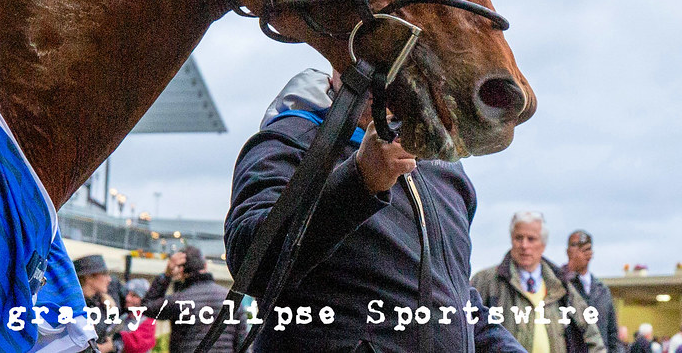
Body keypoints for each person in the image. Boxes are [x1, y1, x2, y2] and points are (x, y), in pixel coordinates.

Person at [225, 68, 527, 352]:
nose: (379, 73)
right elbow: (249, 262)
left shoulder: (445, 169)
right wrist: (359, 182)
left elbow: (455, 301)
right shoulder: (290, 140)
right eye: (365, 54)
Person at [472, 211, 606, 352]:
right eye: (519, 238)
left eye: (531, 239)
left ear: (543, 244)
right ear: (511, 240)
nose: (524, 245)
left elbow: (592, 335)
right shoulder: (486, 282)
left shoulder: (561, 286)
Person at [138, 246, 245, 352]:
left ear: (181, 270)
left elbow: (147, 307)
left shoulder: (178, 300)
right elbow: (242, 343)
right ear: (205, 265)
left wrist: (166, 275)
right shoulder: (231, 299)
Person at [563, 230, 622, 352]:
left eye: (584, 248)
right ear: (567, 251)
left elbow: (612, 335)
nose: (578, 252)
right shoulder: (560, 285)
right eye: (574, 245)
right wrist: (570, 270)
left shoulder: (602, 290)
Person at [75, 254, 118, 353]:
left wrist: (111, 346)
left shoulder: (104, 303)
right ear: (89, 277)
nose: (109, 279)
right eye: (105, 274)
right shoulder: (75, 306)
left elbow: (110, 332)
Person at [115, 278, 157, 353]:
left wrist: (114, 343)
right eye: (127, 294)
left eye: (134, 295)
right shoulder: (124, 317)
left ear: (143, 299)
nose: (127, 298)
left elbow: (136, 344)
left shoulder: (148, 320)